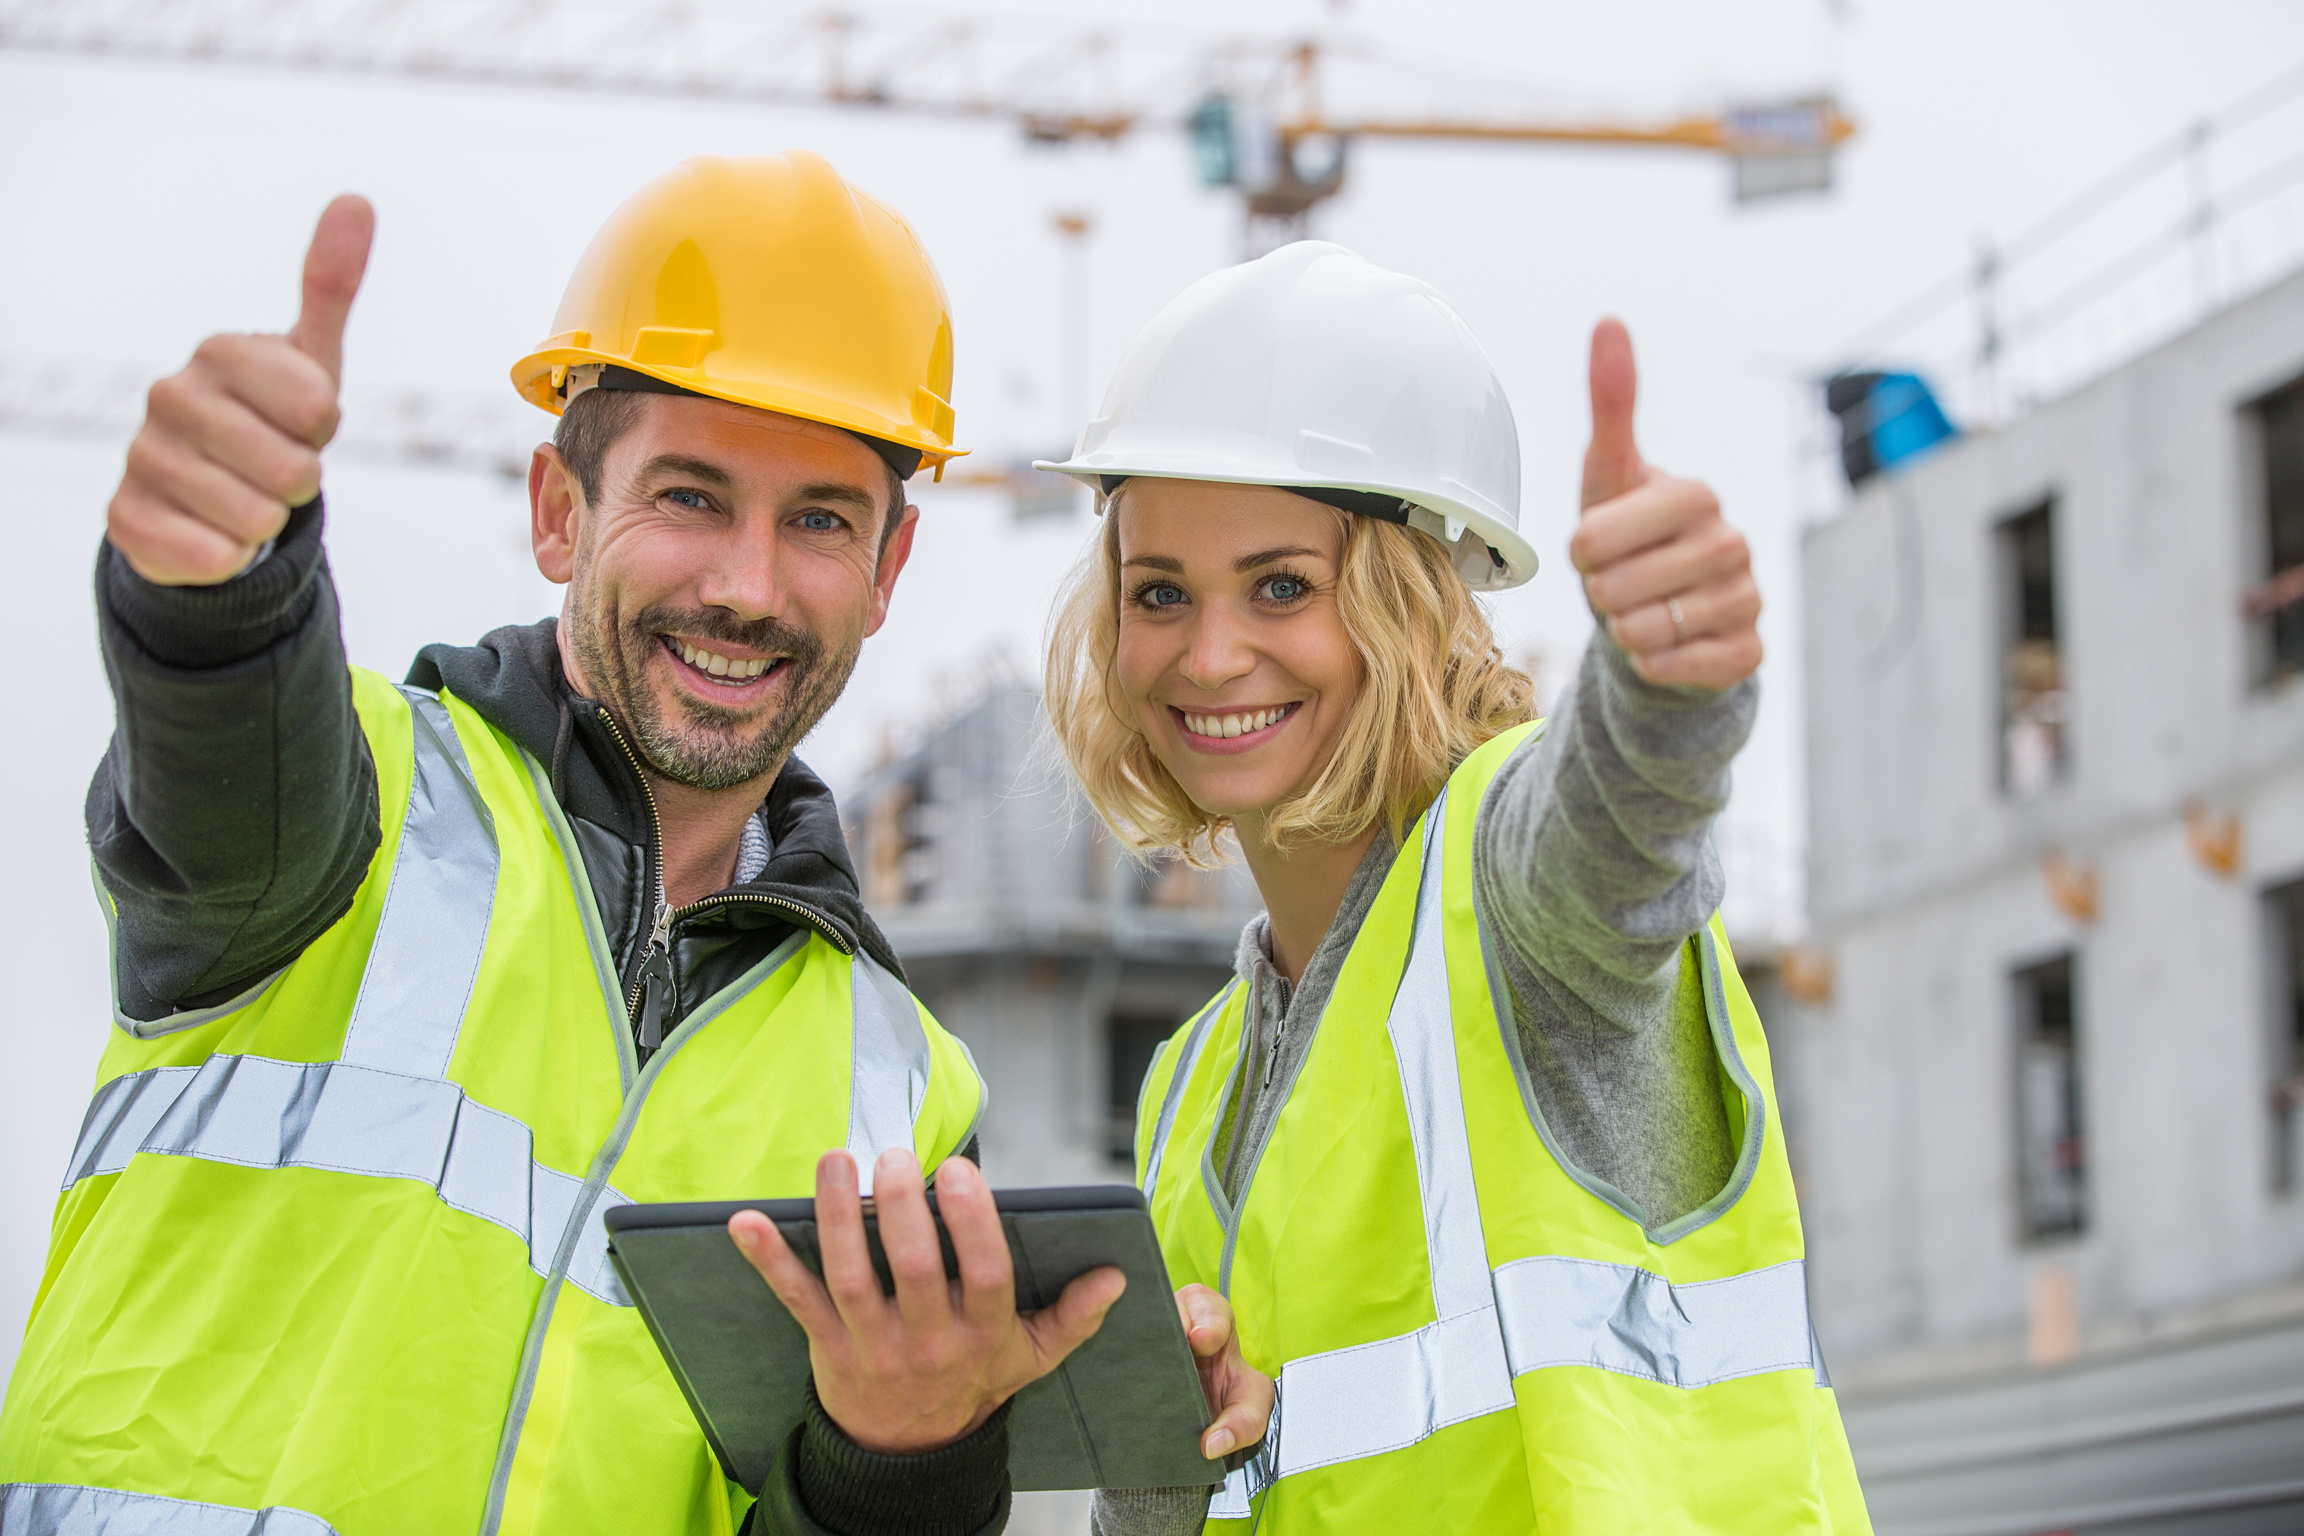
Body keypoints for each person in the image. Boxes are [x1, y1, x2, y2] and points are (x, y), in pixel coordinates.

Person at [0, 154, 1268, 1536]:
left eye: (820, 522)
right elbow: (224, 730)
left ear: (889, 572)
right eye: (689, 497)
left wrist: (897, 1459)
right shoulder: (348, 811)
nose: (746, 586)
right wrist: (221, 586)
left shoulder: (901, 1080)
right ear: (558, 512)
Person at [1037, 243, 1872, 1533]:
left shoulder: (1513, 898)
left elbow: (1620, 842)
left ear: (1412, 604)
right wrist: (1163, 1462)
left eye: (1282, 586)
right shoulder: (1188, 1095)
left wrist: (1665, 687)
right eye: (1160, 593)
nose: (1208, 654)